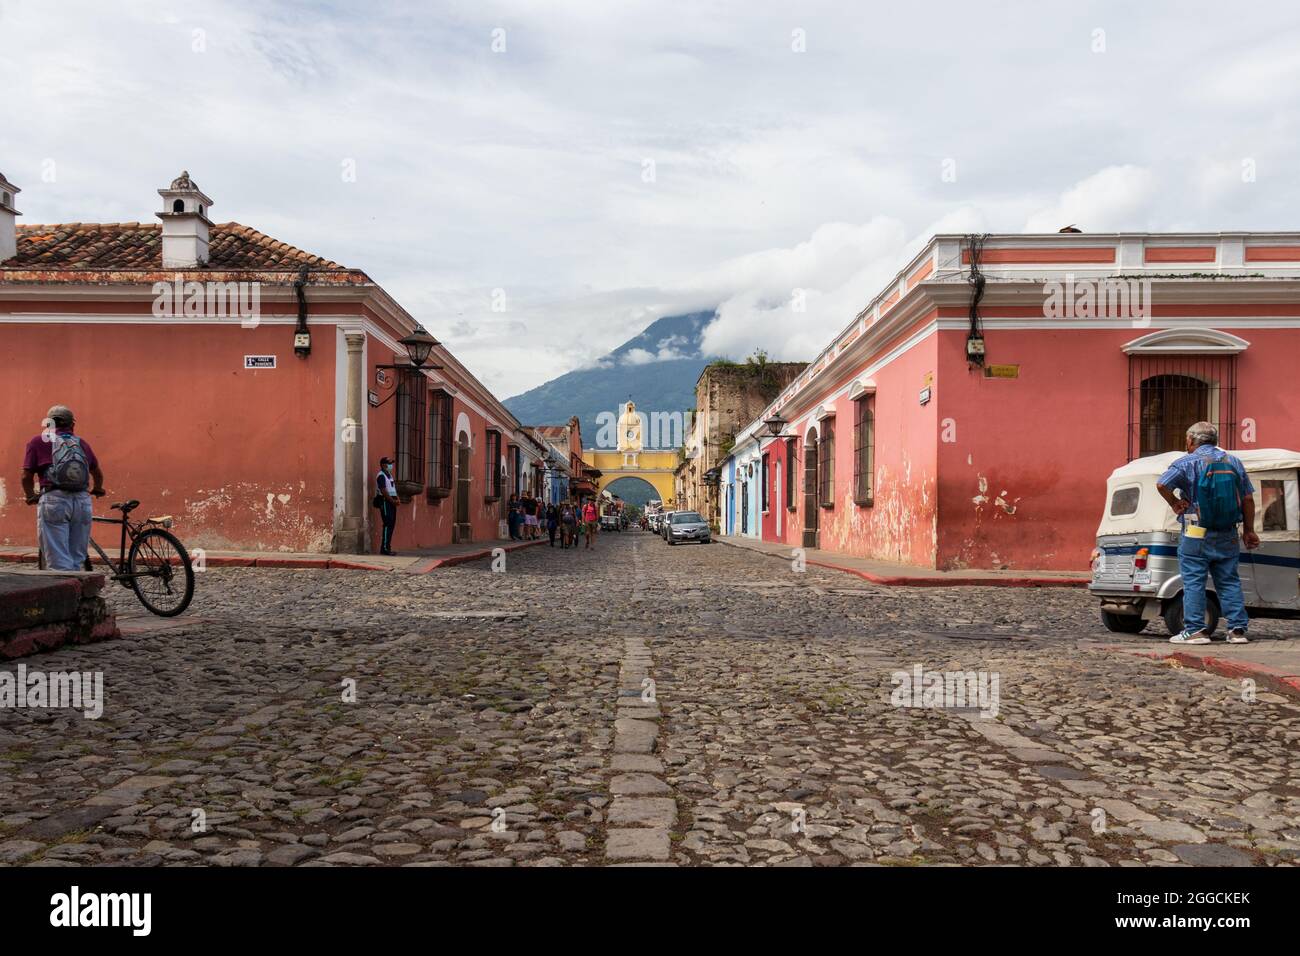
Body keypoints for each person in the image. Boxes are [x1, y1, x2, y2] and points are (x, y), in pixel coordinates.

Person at [1156, 422, 1258, 645]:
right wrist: (1249, 530)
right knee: (1229, 580)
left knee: (1194, 580)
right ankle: (1237, 631)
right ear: (1215, 441)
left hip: (1196, 530)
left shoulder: (1185, 462)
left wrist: (1175, 503)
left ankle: (1196, 631)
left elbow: (1162, 484)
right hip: (1228, 530)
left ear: (1191, 441)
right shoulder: (1234, 462)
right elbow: (1248, 499)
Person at [22, 405, 105, 571]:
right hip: (82, 501)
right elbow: (97, 473)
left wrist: (31, 495)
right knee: (77, 556)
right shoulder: (81, 443)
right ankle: (80, 591)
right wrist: (98, 489)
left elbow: (26, 476)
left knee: (57, 557)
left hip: (54, 500)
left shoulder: (38, 442)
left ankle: (65, 594)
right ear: (72, 425)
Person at [375, 457, 398, 555]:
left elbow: (392, 488)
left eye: (391, 463)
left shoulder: (389, 475)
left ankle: (388, 546)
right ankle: (384, 548)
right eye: (389, 463)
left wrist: (397, 498)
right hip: (385, 501)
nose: (390, 465)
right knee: (387, 524)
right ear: (383, 465)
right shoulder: (381, 476)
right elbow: (383, 490)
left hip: (392, 501)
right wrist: (392, 501)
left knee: (391, 524)